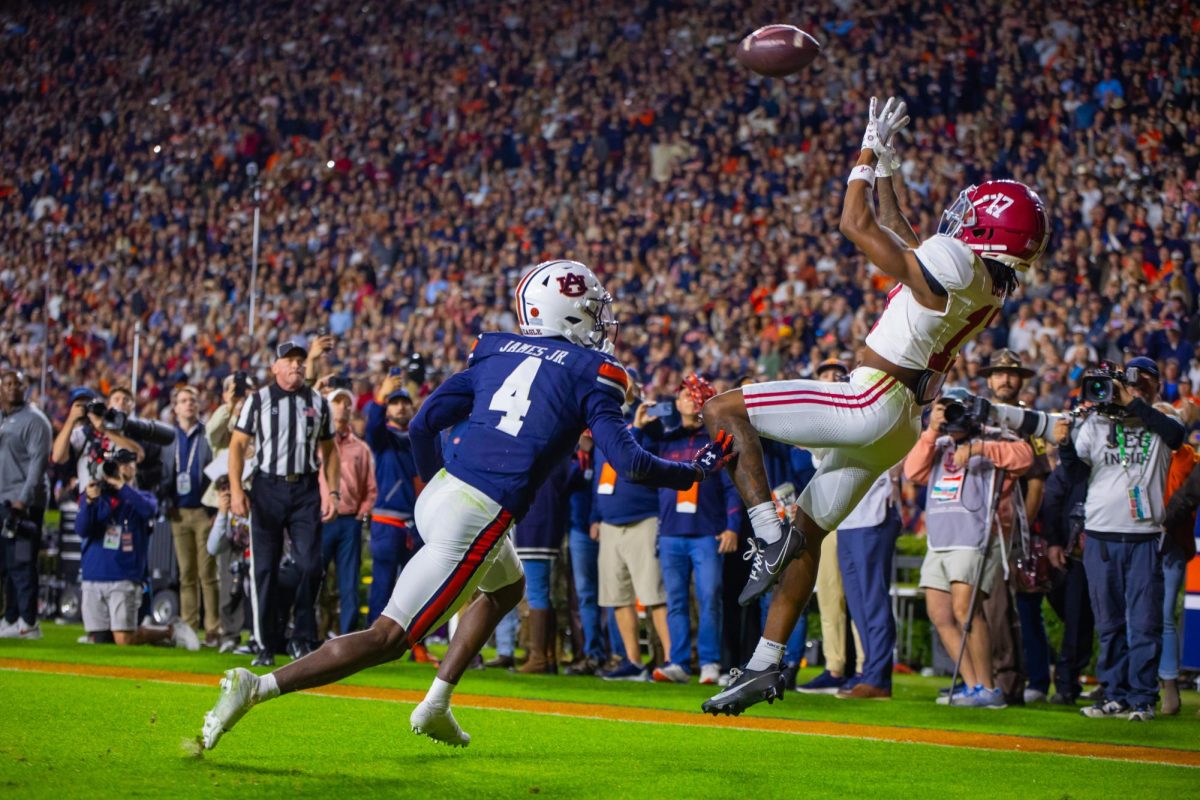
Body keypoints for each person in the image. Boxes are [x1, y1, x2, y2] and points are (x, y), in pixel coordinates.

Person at [201, 260, 734, 751]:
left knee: (508, 586)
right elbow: (633, 462)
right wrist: (697, 468)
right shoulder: (592, 371)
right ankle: (258, 686)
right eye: (593, 311)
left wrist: (438, 488)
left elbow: (422, 424)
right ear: (566, 311)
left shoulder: (496, 349)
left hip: (444, 491)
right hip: (478, 512)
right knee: (389, 637)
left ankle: (436, 703)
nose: (601, 322)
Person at [702, 97, 1049, 715]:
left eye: (973, 214)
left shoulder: (961, 262)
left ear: (990, 229)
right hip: (896, 420)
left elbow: (857, 227)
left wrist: (864, 153)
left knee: (723, 409)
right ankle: (764, 664)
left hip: (871, 394)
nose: (960, 218)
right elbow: (905, 233)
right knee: (809, 537)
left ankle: (764, 536)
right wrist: (889, 164)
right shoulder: (984, 280)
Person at [1055, 358, 1185, 721]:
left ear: (1157, 386)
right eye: (1130, 380)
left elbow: (1177, 438)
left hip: (1143, 535)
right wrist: (1065, 445)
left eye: (1145, 381)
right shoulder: (1096, 421)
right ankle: (1114, 693)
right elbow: (1076, 473)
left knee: (1143, 622)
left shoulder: (1164, 419)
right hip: (1100, 533)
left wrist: (1133, 404)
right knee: (1108, 622)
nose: (1136, 385)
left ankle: (1143, 698)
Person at [905, 394, 1033, 708]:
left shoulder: (990, 436)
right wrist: (932, 430)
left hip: (973, 537)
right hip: (939, 540)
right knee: (939, 613)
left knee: (966, 611)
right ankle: (973, 684)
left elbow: (1024, 456)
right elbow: (912, 472)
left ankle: (990, 688)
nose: (953, 416)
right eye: (946, 410)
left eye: (957, 409)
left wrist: (979, 449)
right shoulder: (941, 443)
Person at [227, 339, 340, 666]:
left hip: (304, 488)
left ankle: (302, 638)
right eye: (288, 360)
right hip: (266, 487)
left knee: (310, 565)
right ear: (274, 366)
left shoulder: (318, 402)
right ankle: (263, 643)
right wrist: (236, 490)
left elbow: (330, 450)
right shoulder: (258, 400)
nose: (295, 366)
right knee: (263, 568)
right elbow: (237, 446)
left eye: (300, 361)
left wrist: (332, 492)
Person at [635, 374, 741, 686]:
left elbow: (732, 489)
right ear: (676, 402)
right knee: (677, 600)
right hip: (670, 533)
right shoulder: (665, 440)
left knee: (709, 598)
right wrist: (639, 426)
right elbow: (636, 461)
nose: (689, 399)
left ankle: (709, 662)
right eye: (684, 395)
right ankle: (678, 661)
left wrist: (732, 527)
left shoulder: (717, 441)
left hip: (707, 532)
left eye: (696, 395)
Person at [979, 349, 1051, 705]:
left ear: (1020, 379)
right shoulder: (978, 417)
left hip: (1012, 527)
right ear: (988, 379)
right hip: (977, 525)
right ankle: (984, 677)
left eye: (1011, 373)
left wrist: (1019, 529)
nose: (1005, 379)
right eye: (999, 373)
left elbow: (1036, 482)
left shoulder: (1026, 421)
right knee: (985, 605)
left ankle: (1025, 679)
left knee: (1018, 608)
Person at [76, 449, 199, 650]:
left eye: (128, 464)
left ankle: (171, 631)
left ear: (135, 468)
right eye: (118, 464)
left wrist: (122, 487)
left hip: (124, 574)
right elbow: (82, 529)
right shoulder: (95, 495)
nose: (123, 468)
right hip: (93, 573)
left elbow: (149, 510)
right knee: (99, 639)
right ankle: (158, 637)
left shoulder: (141, 496)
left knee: (124, 639)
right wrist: (90, 502)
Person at [592, 381, 674, 681]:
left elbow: (639, 460)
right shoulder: (605, 423)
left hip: (643, 518)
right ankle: (633, 661)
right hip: (610, 523)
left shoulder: (653, 423)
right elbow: (599, 475)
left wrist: (638, 426)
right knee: (618, 597)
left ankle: (671, 660)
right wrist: (594, 515)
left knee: (654, 595)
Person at [797, 360, 865, 697]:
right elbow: (818, 453)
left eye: (836, 377)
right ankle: (835, 666)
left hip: (857, 513)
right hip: (828, 512)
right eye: (823, 377)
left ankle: (867, 667)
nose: (830, 381)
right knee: (828, 593)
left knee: (859, 595)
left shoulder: (859, 413)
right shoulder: (819, 417)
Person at [833, 467, 904, 700]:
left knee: (874, 600)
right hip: (846, 519)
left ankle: (878, 678)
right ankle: (871, 672)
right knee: (858, 605)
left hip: (874, 514)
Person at [318, 385, 377, 635]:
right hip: (320, 520)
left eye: (346, 402)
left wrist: (362, 512)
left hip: (349, 521)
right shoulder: (317, 444)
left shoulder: (361, 448)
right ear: (328, 407)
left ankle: (347, 637)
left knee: (349, 582)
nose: (342, 406)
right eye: (337, 401)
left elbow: (371, 487)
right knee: (313, 578)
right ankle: (310, 633)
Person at [0, 369, 52, 639]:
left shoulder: (34, 420)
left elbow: (38, 465)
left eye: (17, 384)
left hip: (23, 504)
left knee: (22, 561)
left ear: (25, 387)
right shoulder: (3, 419)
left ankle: (29, 621)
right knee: (7, 564)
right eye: (7, 383)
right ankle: (11, 618)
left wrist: (23, 500)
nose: (12, 388)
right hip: (2, 500)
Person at [167, 386, 218, 646]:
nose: (189, 404)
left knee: (207, 572)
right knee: (186, 572)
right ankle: (189, 627)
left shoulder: (206, 434)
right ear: (175, 408)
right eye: (184, 401)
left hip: (202, 511)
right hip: (177, 512)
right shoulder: (169, 436)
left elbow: (214, 470)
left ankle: (212, 629)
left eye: (192, 400)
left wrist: (213, 509)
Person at [206, 474, 251, 653]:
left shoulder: (249, 504)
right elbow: (212, 547)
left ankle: (258, 636)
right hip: (234, 559)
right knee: (227, 584)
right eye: (222, 490)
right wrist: (222, 513)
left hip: (253, 554)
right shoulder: (222, 516)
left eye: (228, 489)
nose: (226, 494)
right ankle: (230, 636)